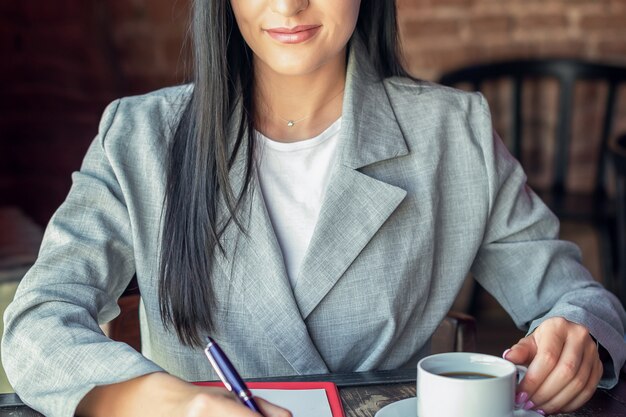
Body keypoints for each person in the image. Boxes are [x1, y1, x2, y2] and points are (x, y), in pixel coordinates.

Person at [2, 1, 625, 416]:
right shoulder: (138, 137)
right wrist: (172, 403)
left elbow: (580, 299)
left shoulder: (452, 133)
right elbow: (36, 324)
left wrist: (576, 337)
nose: (290, 1)